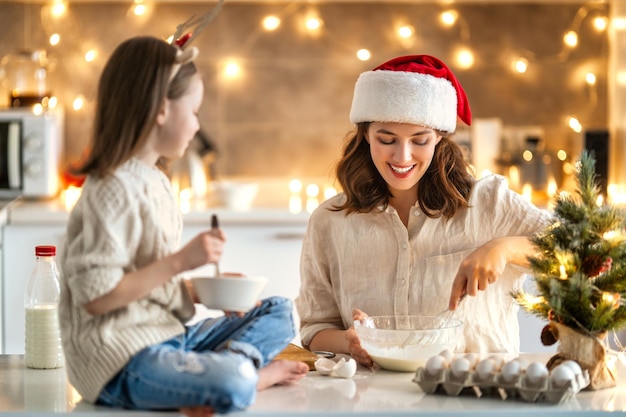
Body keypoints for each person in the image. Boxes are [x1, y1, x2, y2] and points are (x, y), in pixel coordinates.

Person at [58, 35, 308, 417]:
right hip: (121, 360)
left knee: (283, 311)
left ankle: (223, 370)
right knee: (235, 382)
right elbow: (98, 297)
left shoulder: (155, 180)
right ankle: (243, 376)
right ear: (161, 108)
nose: (196, 125)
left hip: (168, 337)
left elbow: (143, 282)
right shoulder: (110, 189)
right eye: (193, 111)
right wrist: (181, 262)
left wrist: (201, 291)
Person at [295, 54, 553, 367]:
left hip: (480, 396)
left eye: (420, 140)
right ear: (365, 135)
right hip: (373, 402)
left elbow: (580, 250)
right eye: (386, 139)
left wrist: (505, 248)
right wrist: (349, 342)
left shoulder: (489, 204)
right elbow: (315, 329)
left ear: (440, 138)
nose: (402, 156)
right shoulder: (330, 221)